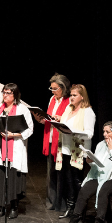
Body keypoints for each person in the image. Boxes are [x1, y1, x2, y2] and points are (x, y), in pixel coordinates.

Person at [61, 121, 112, 223]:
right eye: (104, 131)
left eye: (108, 132)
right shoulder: (101, 145)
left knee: (103, 192)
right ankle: (75, 219)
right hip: (100, 174)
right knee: (84, 190)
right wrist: (91, 162)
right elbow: (99, 165)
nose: (104, 134)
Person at [0, 84, 34, 219]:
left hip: (14, 146)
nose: (5, 95)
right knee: (1, 177)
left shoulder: (22, 109)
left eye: (8, 93)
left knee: (13, 177)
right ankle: (2, 207)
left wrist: (14, 135)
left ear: (15, 95)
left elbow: (30, 129)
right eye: (4, 92)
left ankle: (14, 207)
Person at [53, 84, 96, 219]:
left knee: (77, 179)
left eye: (74, 95)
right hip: (65, 148)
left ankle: (79, 209)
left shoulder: (88, 111)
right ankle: (70, 207)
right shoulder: (68, 108)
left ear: (82, 97)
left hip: (78, 151)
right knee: (68, 180)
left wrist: (74, 133)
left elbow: (89, 134)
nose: (71, 98)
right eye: (70, 95)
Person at [34, 73, 71, 213]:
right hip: (49, 138)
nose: (53, 91)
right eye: (52, 88)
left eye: (55, 88)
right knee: (51, 174)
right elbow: (49, 118)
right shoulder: (52, 99)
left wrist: (61, 118)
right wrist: (42, 119)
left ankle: (61, 203)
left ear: (63, 88)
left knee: (61, 173)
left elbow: (70, 122)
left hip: (61, 141)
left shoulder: (68, 101)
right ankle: (51, 202)